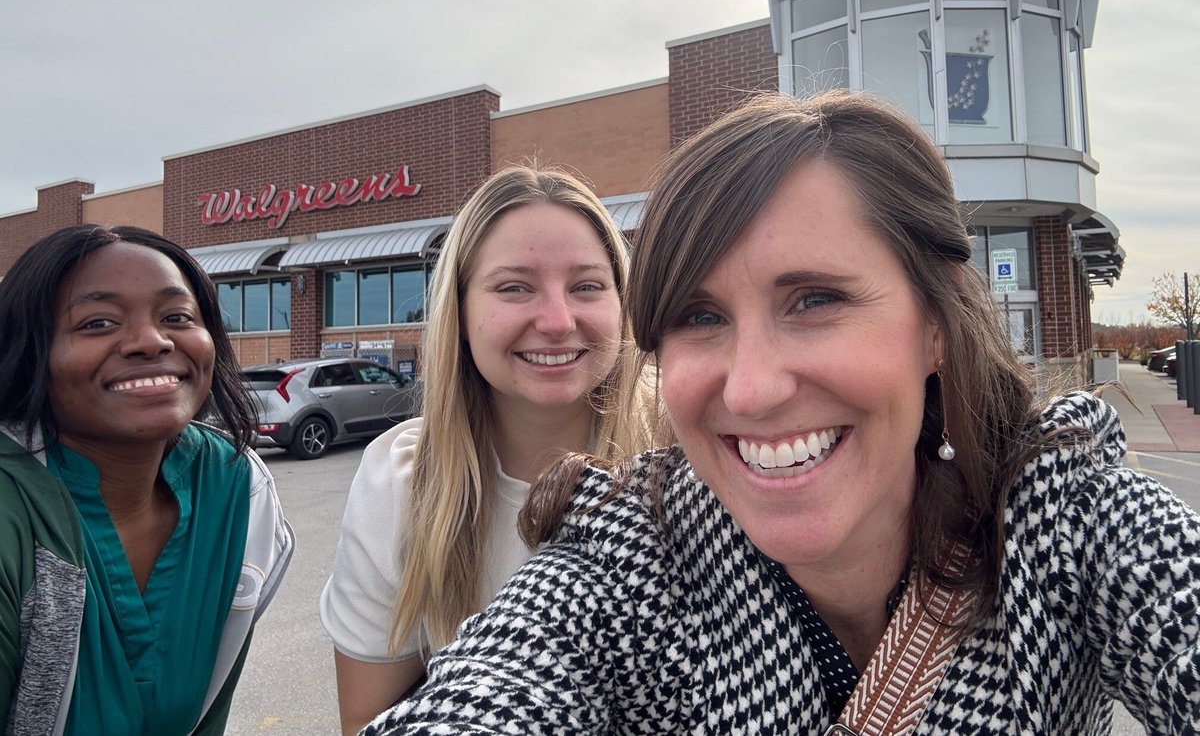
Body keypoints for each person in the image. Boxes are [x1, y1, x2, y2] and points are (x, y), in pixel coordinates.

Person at [364, 91, 1200, 735]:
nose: (753, 389)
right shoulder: (629, 556)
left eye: (814, 299)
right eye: (699, 316)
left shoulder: (1070, 521)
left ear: (937, 325)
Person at [320, 166, 650, 735]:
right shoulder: (399, 480)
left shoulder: (695, 448)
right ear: (462, 315)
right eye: (514, 287)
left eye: (587, 286)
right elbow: (367, 723)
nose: (556, 320)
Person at [0, 225, 293, 735]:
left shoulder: (234, 492)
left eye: (177, 317)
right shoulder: (11, 512)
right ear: (31, 354)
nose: (151, 341)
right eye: (97, 322)